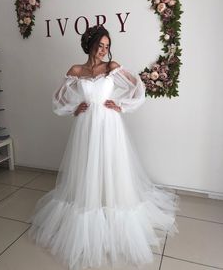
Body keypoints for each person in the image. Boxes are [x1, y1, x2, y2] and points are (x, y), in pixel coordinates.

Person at [28, 25, 179, 270]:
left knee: (111, 165)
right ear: (90, 44)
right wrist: (73, 108)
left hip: (109, 125)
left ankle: (113, 205)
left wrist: (121, 105)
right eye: (100, 45)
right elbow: (58, 98)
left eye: (107, 47)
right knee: (88, 166)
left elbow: (137, 87)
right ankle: (90, 203)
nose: (103, 51)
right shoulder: (76, 70)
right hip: (86, 126)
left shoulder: (111, 67)